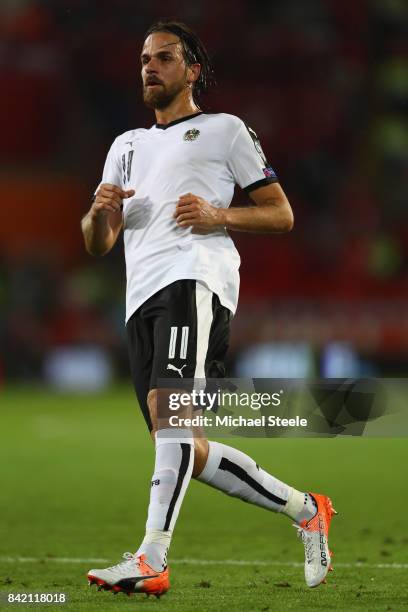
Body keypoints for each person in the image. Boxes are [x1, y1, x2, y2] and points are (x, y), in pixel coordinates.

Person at [81, 20, 336, 598]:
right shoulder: (126, 146)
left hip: (194, 280)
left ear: (192, 69)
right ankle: (307, 510)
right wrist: (98, 214)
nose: (150, 66)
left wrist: (221, 215)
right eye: (144, 57)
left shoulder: (225, 131)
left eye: (164, 57)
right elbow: (98, 242)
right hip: (139, 296)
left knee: (171, 417)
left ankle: (150, 558)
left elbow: (281, 213)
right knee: (185, 448)